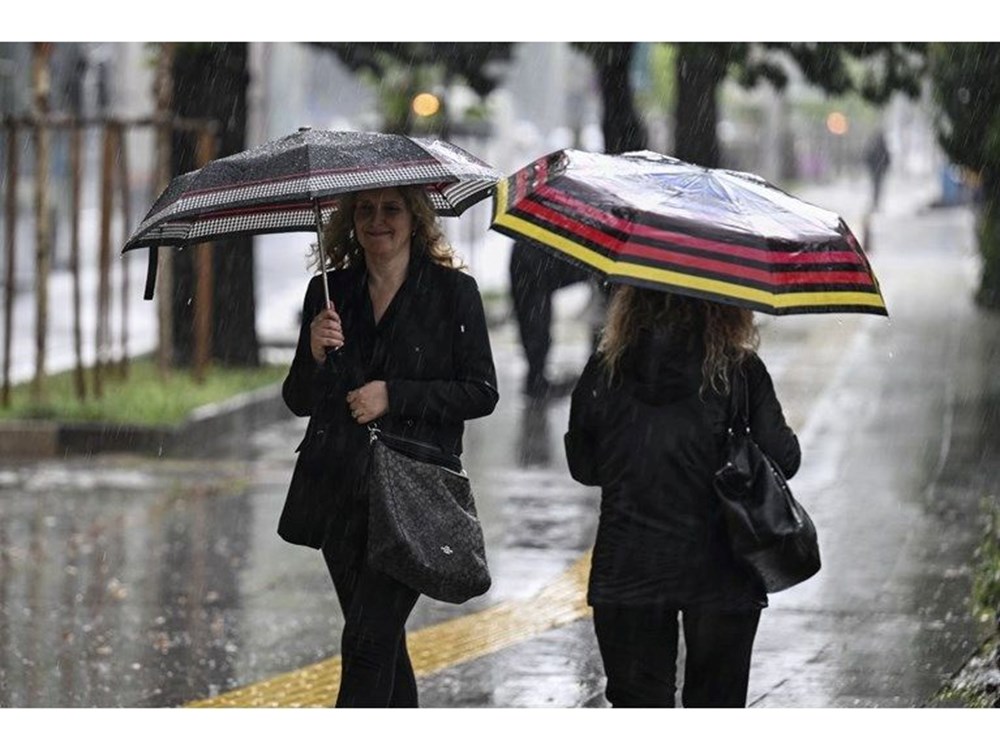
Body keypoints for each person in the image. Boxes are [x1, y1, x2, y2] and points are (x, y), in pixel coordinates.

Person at [279, 185, 499, 708]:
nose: (377, 220)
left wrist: (393, 395)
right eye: (365, 209)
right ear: (349, 220)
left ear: (416, 218)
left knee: (365, 643)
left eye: (392, 209)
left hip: (412, 493)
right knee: (379, 644)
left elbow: (481, 391)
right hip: (337, 491)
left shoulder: (453, 294)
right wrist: (313, 352)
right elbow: (298, 399)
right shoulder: (329, 293)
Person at [564, 286, 801, 708]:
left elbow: (585, 467)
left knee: (638, 708)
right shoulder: (740, 371)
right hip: (721, 568)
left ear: (632, 298)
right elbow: (785, 459)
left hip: (629, 567)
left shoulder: (606, 369)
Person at [508, 237, 593, 399]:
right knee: (535, 324)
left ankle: (536, 379)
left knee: (533, 323)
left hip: (530, 258)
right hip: (533, 261)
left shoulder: (530, 240)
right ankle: (536, 381)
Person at [864, 130, 891, 212]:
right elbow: (888, 160)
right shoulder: (882, 148)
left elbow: (867, 157)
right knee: (878, 188)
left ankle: (875, 203)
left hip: (876, 171)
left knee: (875, 187)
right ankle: (876, 203)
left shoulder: (874, 147)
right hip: (879, 172)